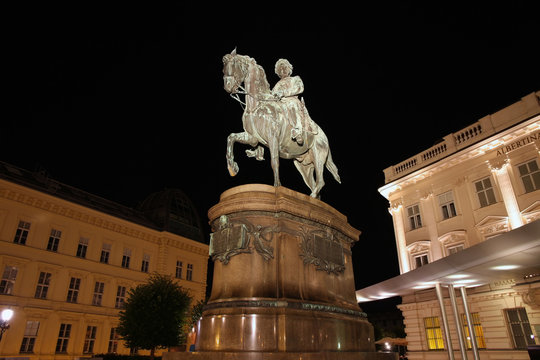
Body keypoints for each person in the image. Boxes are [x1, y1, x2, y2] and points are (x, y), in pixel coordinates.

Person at [272, 59, 307, 145]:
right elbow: (272, 95)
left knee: (292, 105)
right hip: (280, 104)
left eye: (284, 68)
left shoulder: (295, 79)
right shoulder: (276, 85)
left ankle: (297, 131)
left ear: (289, 69)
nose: (282, 70)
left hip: (292, 101)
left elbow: (299, 88)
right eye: (280, 69)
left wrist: (283, 93)